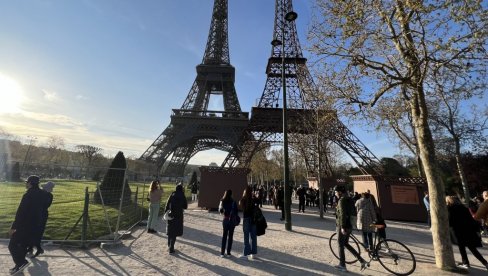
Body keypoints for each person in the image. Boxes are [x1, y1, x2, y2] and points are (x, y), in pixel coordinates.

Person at [8, 175, 46, 275]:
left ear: (30, 183)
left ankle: (21, 262)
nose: (25, 184)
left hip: (24, 226)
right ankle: (18, 266)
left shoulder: (28, 195)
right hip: (36, 226)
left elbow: (21, 212)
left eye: (27, 182)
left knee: (12, 245)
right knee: (23, 246)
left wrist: (13, 227)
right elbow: (43, 210)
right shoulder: (43, 194)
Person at [446, 195, 488, 271]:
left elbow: (450, 221)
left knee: (461, 247)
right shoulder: (464, 208)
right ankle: (485, 263)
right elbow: (471, 219)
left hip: (458, 231)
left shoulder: (450, 209)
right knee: (472, 248)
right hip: (468, 231)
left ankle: (465, 263)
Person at [334, 185, 366, 272]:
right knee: (346, 244)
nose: (335, 194)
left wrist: (343, 226)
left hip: (343, 225)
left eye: (336, 192)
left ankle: (342, 265)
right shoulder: (350, 199)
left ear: (340, 192)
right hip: (350, 225)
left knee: (340, 244)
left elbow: (343, 214)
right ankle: (361, 260)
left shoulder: (341, 200)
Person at [27, 181, 54, 258]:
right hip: (37, 214)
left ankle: (38, 248)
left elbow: (45, 205)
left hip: (41, 215)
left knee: (37, 232)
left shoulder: (49, 195)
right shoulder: (43, 194)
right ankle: (31, 247)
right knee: (32, 231)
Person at [164, 184, 188, 254]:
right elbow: (185, 206)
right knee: (174, 232)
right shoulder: (182, 195)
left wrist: (166, 212)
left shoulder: (172, 194)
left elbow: (167, 204)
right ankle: (171, 247)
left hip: (171, 214)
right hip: (179, 215)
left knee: (170, 230)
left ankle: (169, 245)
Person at [239, 185, 258, 260]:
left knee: (246, 236)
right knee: (253, 237)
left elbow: (242, 208)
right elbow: (259, 201)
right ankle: (254, 253)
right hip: (253, 219)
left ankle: (245, 254)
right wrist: (254, 196)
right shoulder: (253, 199)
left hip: (246, 218)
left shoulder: (243, 199)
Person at [218, 189, 238, 257]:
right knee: (230, 237)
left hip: (225, 220)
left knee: (224, 236)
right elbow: (236, 212)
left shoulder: (222, 201)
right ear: (231, 194)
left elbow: (220, 211)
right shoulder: (234, 202)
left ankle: (222, 253)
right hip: (232, 221)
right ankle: (228, 252)